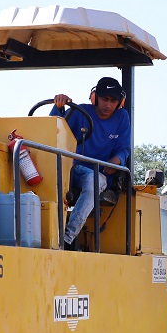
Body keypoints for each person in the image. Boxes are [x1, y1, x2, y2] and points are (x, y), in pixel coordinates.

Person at [49, 76, 131, 249]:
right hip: (71, 168)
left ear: (120, 102)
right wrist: (58, 107)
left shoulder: (122, 117)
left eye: (113, 101)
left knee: (94, 181)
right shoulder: (80, 112)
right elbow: (54, 131)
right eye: (104, 99)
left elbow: (124, 148)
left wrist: (117, 160)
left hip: (99, 173)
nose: (108, 105)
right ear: (94, 98)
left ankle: (67, 238)